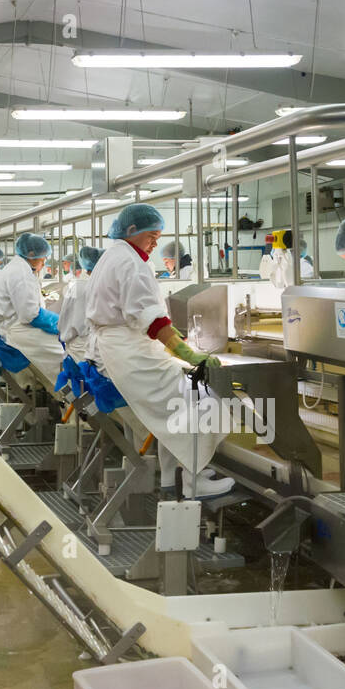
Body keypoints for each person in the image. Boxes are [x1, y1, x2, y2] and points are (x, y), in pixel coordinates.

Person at [84, 203, 235, 498]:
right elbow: (149, 319)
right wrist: (188, 354)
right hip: (132, 353)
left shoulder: (115, 256)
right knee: (204, 400)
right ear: (132, 231)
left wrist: (171, 336)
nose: (155, 244)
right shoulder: (129, 262)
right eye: (151, 237)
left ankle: (177, 476)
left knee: (182, 407)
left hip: (123, 349)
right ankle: (193, 481)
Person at [0, 233, 65, 384]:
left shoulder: (17, 268)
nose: (44, 261)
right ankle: (69, 398)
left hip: (13, 327)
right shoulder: (21, 273)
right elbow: (30, 315)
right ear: (32, 255)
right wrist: (57, 322)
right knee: (63, 357)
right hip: (22, 331)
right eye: (43, 257)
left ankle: (61, 395)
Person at [55, 245, 103, 397]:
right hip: (85, 350)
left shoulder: (77, 284)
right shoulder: (92, 286)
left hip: (73, 348)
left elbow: (64, 320)